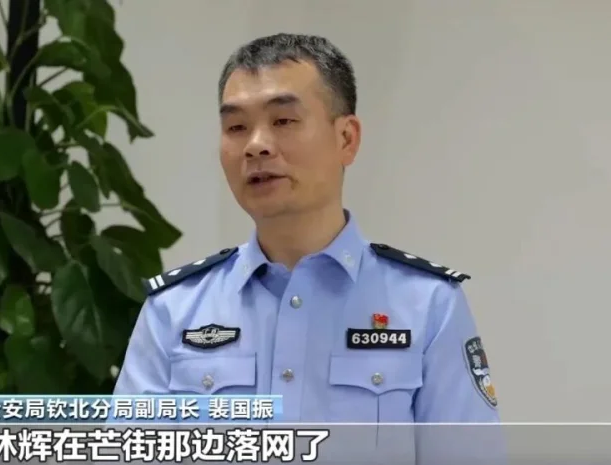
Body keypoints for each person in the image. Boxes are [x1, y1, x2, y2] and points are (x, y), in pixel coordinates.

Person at [114, 33, 500, 429]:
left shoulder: (428, 306)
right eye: (236, 126)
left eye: (283, 121)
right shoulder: (174, 311)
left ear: (346, 139)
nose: (256, 145)